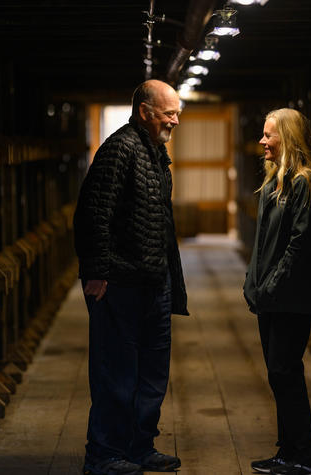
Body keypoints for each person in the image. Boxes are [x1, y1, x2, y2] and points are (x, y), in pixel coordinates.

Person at [73, 79, 189, 475]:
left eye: (177, 113)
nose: (175, 121)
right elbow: (93, 215)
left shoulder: (156, 154)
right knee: (116, 373)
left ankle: (140, 446)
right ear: (144, 111)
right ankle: (104, 453)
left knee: (152, 374)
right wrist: (97, 273)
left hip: (154, 285)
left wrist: (170, 280)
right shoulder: (119, 150)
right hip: (120, 284)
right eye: (168, 113)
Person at [244, 108, 311, 475]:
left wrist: (271, 287)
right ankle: (287, 451)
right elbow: (263, 242)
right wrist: (252, 281)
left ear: (288, 138)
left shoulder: (305, 182)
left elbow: (298, 245)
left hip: (290, 298)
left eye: (269, 135)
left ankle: (308, 456)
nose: (262, 141)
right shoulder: (273, 181)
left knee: (286, 372)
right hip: (269, 297)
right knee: (277, 374)